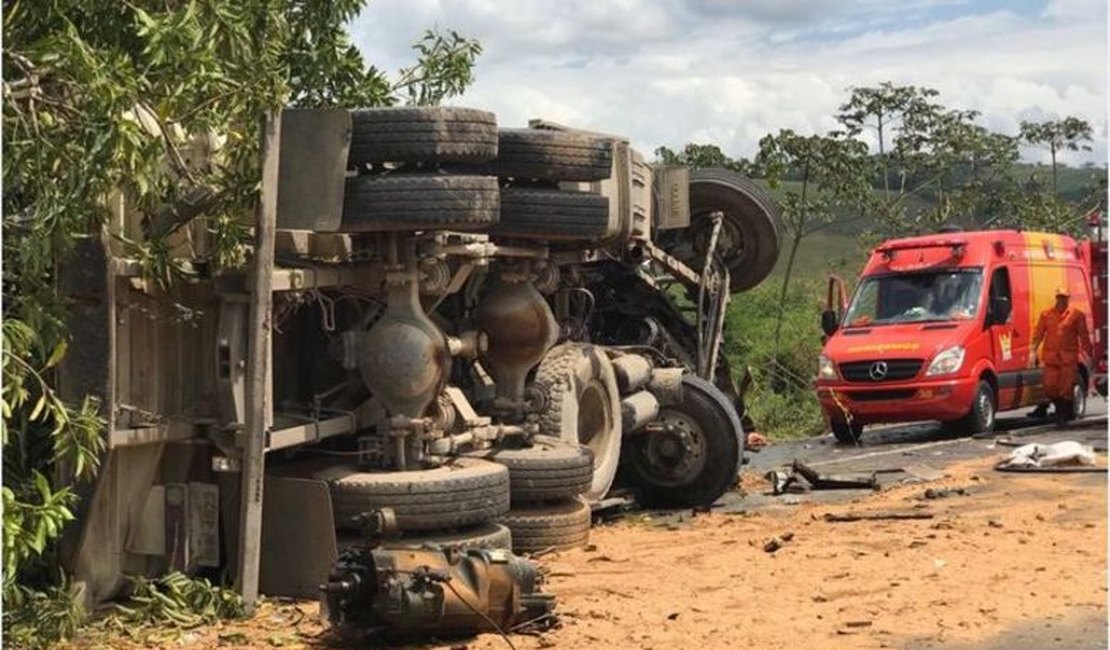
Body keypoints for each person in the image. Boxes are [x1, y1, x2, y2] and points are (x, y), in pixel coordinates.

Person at [1029, 286, 1093, 425]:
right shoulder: (1046, 314)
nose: (1061, 300)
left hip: (1068, 359)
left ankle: (1063, 414)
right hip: (1051, 358)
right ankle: (1062, 412)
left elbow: (1084, 336)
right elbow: (1038, 334)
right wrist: (1033, 351)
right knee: (1050, 386)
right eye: (1059, 297)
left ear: (1068, 298)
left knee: (1066, 388)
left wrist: (1089, 353)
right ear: (1056, 298)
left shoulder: (1077, 315)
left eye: (1064, 297)